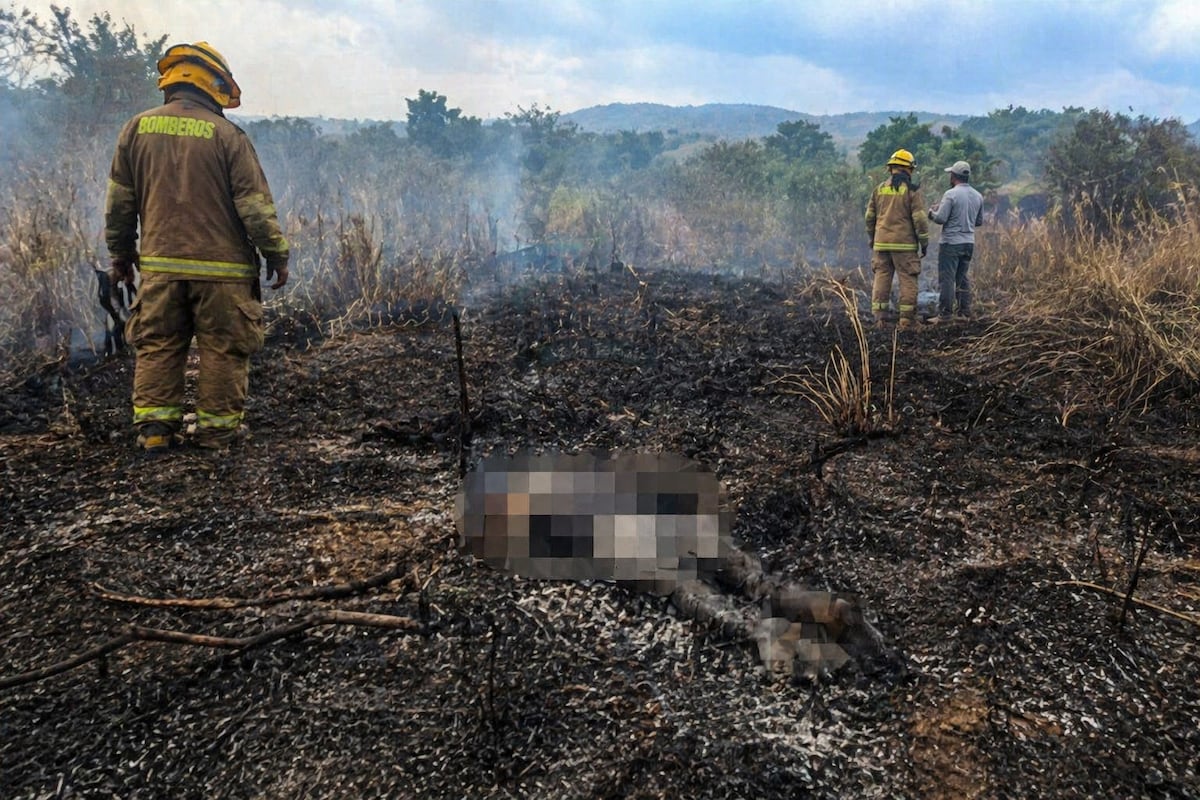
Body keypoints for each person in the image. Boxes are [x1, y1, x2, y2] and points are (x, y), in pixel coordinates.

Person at [105, 42, 289, 454]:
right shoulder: (228, 136)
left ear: (171, 82)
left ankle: (155, 432)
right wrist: (276, 254)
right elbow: (255, 208)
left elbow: (120, 203)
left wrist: (121, 254)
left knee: (158, 345)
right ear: (215, 86)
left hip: (160, 271)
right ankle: (216, 435)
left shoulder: (136, 129)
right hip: (224, 274)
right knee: (224, 348)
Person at [865, 149, 929, 329]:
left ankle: (880, 319)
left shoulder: (879, 189)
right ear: (908, 169)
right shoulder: (911, 191)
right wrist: (924, 242)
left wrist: (872, 238)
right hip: (904, 245)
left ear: (891, 168)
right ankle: (907, 320)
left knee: (881, 277)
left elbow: (869, 217)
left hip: (881, 244)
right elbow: (920, 219)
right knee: (908, 278)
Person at [927, 160, 984, 322]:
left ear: (953, 176)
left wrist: (931, 213)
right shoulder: (978, 196)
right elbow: (979, 221)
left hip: (951, 243)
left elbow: (941, 218)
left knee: (947, 278)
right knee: (962, 277)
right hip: (968, 243)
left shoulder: (950, 194)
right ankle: (964, 311)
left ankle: (945, 314)